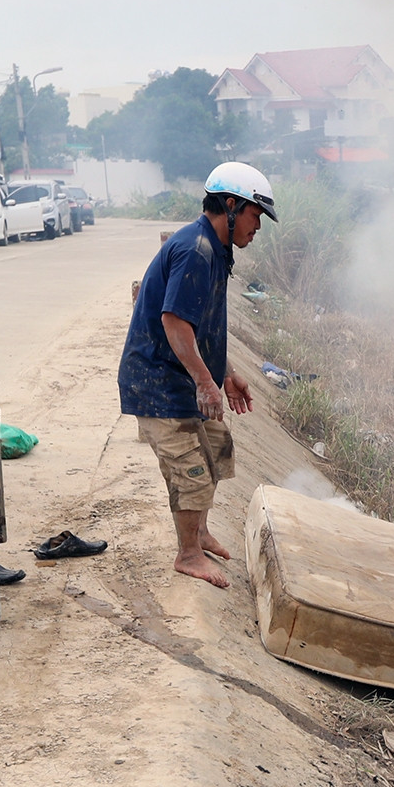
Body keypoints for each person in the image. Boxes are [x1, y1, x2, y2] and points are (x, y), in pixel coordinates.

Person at [117, 161, 277, 587]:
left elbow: (202, 326)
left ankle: (200, 532)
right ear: (230, 205)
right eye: (255, 215)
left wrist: (225, 374)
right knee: (191, 467)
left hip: (179, 377)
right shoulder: (196, 250)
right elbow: (175, 323)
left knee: (218, 447)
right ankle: (187, 554)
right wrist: (205, 382)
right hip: (157, 383)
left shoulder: (215, 249)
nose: (257, 227)